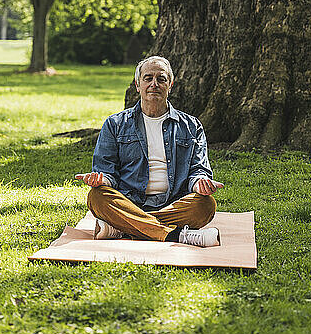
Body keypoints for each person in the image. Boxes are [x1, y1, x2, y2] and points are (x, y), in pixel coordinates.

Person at [75, 56, 224, 247]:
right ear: (138, 85)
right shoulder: (115, 124)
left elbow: (199, 170)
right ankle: (176, 236)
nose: (154, 84)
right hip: (129, 201)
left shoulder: (191, 126)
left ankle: (123, 227)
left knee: (205, 205)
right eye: (148, 78)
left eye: (161, 79)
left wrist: (200, 183)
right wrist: (101, 179)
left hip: (173, 204)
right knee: (97, 197)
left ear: (170, 84)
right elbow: (106, 171)